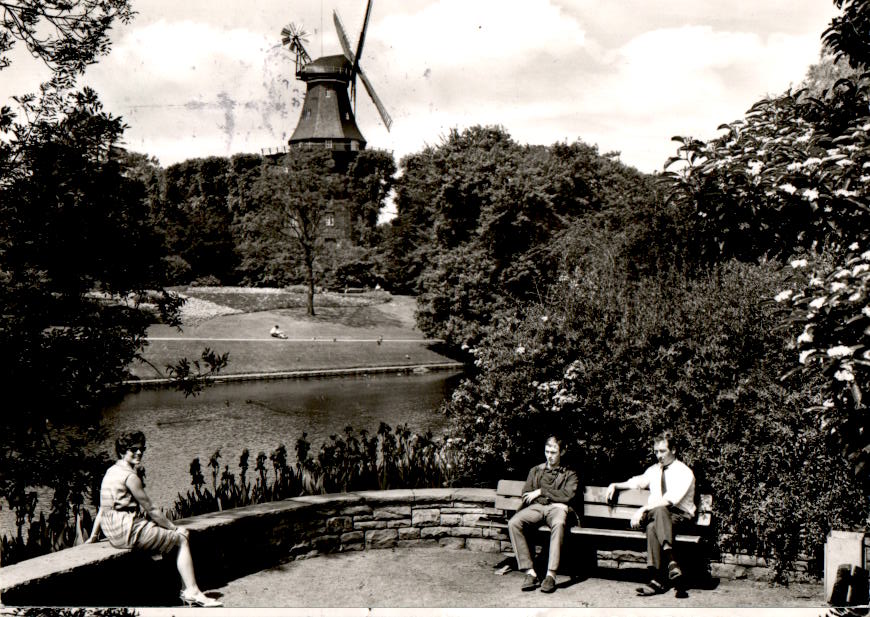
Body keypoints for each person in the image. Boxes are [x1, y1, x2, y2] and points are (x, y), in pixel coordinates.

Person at [86, 431, 222, 608]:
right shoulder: (130, 477)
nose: (139, 453)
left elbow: (103, 509)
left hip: (112, 531)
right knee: (182, 538)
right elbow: (151, 509)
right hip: (127, 530)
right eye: (133, 449)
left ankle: (185, 590)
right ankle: (193, 591)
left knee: (165, 537)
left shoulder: (111, 472)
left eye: (142, 449)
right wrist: (174, 528)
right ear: (122, 451)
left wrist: (94, 536)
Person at [606, 429, 695, 598]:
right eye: (656, 451)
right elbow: (637, 481)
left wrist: (643, 509)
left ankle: (657, 579)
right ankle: (671, 562)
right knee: (655, 519)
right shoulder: (654, 470)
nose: (658, 455)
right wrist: (615, 485)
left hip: (679, 516)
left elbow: (670, 500)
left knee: (655, 520)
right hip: (659, 515)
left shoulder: (685, 472)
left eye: (663, 451)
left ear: (673, 450)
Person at [508, 435, 579, 594]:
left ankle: (551, 575)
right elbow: (527, 494)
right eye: (547, 451)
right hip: (538, 507)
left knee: (559, 524)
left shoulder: (570, 473)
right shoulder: (536, 470)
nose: (549, 455)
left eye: (553, 452)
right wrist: (545, 497)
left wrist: (542, 491)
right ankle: (530, 573)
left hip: (558, 509)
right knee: (514, 523)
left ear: (563, 452)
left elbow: (567, 495)